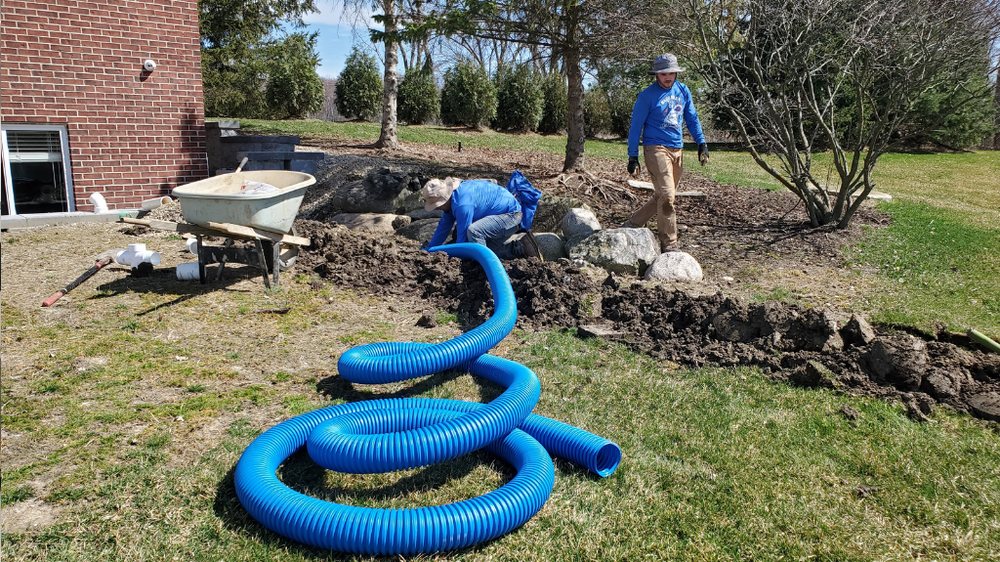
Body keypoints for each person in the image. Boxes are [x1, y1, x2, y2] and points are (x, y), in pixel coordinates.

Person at [624, 53, 710, 251]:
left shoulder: (683, 90)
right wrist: (633, 156)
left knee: (662, 196)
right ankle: (669, 244)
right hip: (655, 148)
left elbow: (692, 118)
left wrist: (701, 143)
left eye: (671, 72)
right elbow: (635, 127)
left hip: (677, 149)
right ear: (656, 74)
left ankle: (633, 224)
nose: (667, 76)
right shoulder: (647, 96)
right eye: (663, 73)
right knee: (668, 196)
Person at [422, 177, 540, 259]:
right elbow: (444, 227)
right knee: (461, 235)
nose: (436, 209)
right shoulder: (452, 200)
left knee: (474, 232)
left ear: (444, 199)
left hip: (511, 216)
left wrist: (459, 262)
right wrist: (430, 249)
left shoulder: (462, 205)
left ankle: (515, 249)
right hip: (495, 213)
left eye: (437, 206)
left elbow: (462, 242)